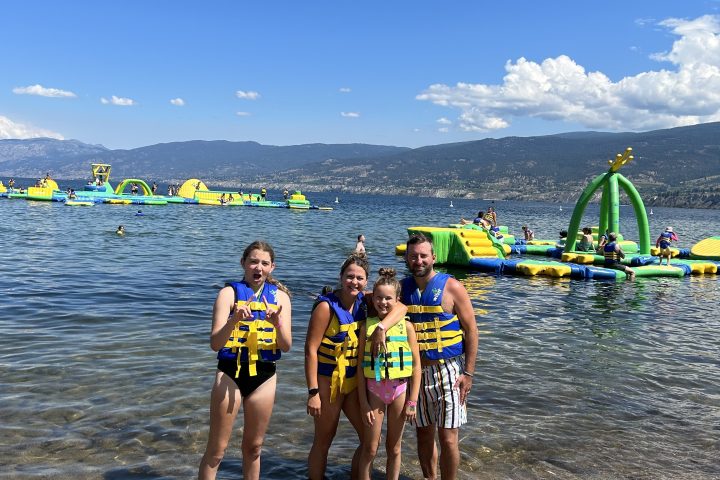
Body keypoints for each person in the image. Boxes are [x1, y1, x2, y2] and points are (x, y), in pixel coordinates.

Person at [304, 254, 407, 480]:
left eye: (360, 278)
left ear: (366, 281)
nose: (354, 282)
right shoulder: (325, 307)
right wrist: (313, 392)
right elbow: (310, 350)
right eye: (349, 277)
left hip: (353, 381)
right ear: (341, 278)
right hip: (328, 381)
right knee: (324, 439)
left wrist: (381, 327)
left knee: (370, 439)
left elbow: (402, 307)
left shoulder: (365, 301)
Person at [198, 241, 292, 480]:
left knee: (254, 448)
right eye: (253, 261)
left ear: (272, 267)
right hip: (230, 373)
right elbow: (215, 344)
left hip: (264, 377)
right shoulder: (228, 294)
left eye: (264, 263)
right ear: (243, 263)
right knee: (217, 450)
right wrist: (233, 321)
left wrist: (277, 325)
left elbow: (286, 346)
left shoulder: (281, 298)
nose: (258, 267)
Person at [398, 233, 478, 479]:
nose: (418, 261)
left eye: (423, 255)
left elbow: (472, 330)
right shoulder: (402, 289)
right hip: (416, 374)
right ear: (407, 259)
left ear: (433, 257)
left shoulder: (452, 287)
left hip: (449, 371)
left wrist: (468, 374)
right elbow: (376, 300)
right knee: (423, 433)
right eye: (413, 256)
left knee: (449, 438)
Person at [357, 268, 421, 480]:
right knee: (370, 448)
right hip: (374, 389)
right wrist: (364, 403)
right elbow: (359, 368)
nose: (383, 302)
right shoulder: (367, 327)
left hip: (400, 391)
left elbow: (416, 368)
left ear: (397, 300)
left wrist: (412, 401)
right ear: (372, 298)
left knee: (394, 448)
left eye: (388, 298)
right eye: (379, 298)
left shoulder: (408, 327)